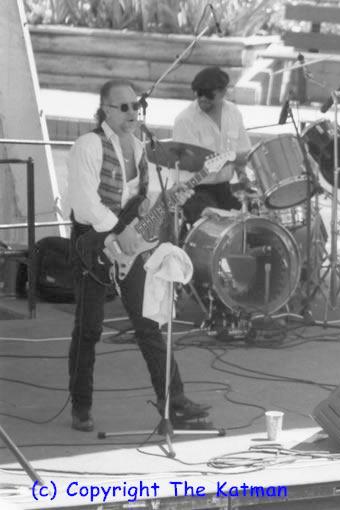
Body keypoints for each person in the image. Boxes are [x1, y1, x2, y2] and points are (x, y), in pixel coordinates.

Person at [67, 79, 210, 432]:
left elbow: (141, 204)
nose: (133, 112)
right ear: (105, 110)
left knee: (149, 325)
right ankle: (81, 406)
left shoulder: (141, 147)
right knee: (89, 329)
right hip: (93, 244)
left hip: (129, 247)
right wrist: (119, 230)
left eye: (136, 106)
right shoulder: (89, 145)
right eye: (124, 107)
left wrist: (168, 201)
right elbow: (84, 203)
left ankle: (174, 401)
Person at [172, 66, 253, 225]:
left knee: (248, 222)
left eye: (209, 94)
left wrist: (242, 175)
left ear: (223, 92)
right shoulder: (185, 120)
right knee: (214, 224)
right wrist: (228, 158)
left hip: (224, 187)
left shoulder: (233, 112)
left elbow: (244, 152)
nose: (202, 98)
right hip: (194, 190)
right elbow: (193, 164)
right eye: (199, 93)